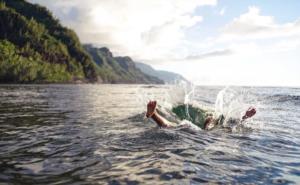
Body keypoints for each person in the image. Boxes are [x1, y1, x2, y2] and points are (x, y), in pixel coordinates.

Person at [146, 101, 256, 130]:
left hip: (205, 129)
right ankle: (153, 114)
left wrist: (246, 116)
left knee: (175, 127)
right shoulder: (212, 118)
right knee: (178, 126)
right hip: (206, 127)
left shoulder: (222, 120)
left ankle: (153, 114)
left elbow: (235, 122)